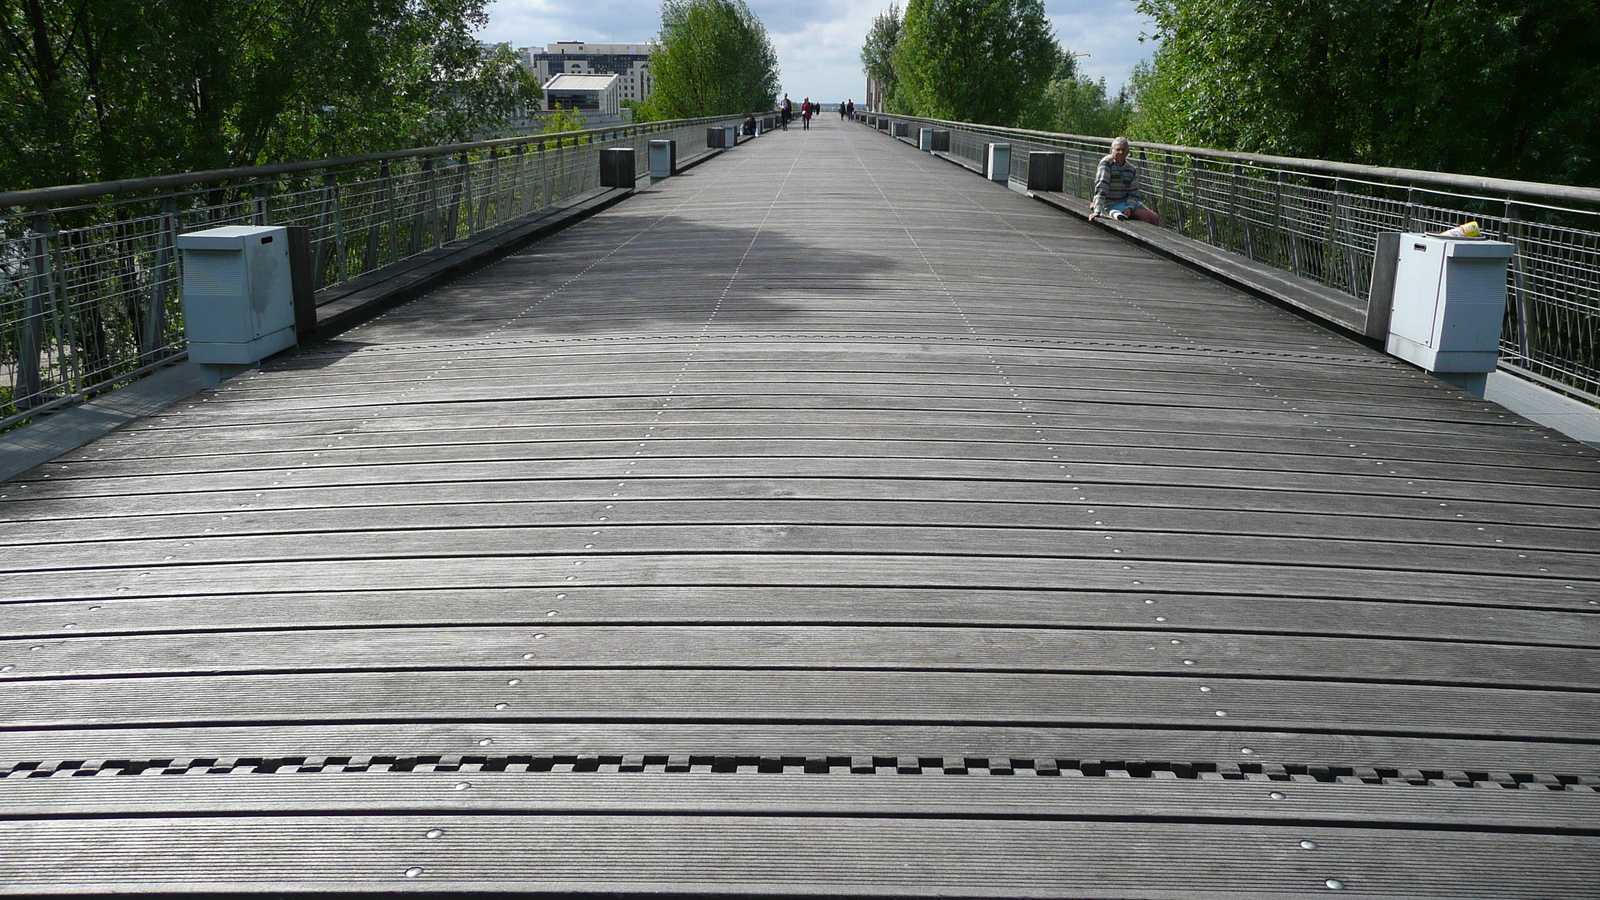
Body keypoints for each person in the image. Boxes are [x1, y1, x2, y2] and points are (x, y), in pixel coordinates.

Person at [1088, 136, 1160, 225]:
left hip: (1125, 201)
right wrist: (1097, 210)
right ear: (1111, 151)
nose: (1121, 152)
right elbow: (1102, 186)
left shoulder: (1131, 169)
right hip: (1110, 202)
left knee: (1155, 218)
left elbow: (1134, 192)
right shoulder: (1106, 164)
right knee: (1145, 216)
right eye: (1118, 149)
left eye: (1124, 150)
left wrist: (1130, 207)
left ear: (1128, 152)